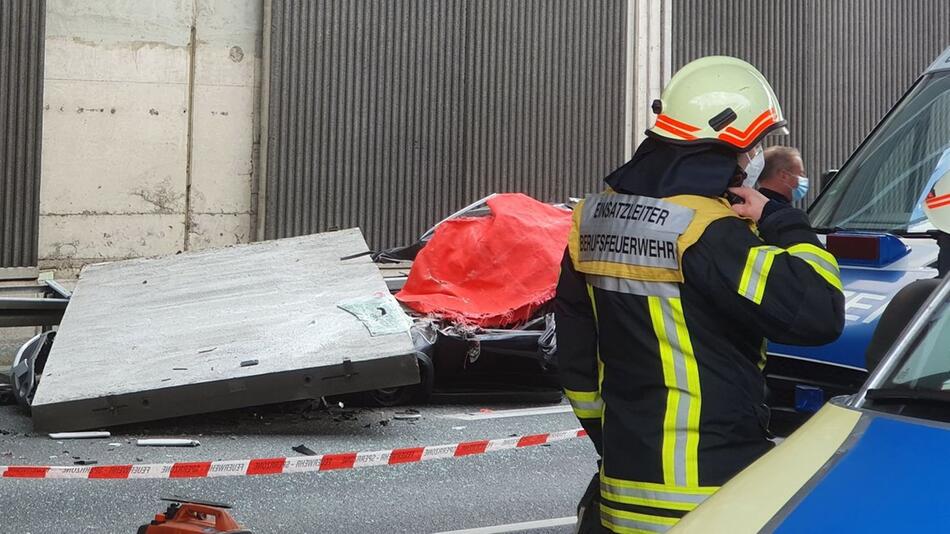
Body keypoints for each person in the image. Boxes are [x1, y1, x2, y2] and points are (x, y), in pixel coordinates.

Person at [555, 56, 845, 533]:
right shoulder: (708, 230)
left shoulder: (591, 221)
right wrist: (781, 220)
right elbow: (817, 311)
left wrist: (617, 443)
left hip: (622, 493)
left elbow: (576, 367)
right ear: (723, 143)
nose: (750, 162)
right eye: (748, 151)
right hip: (711, 496)